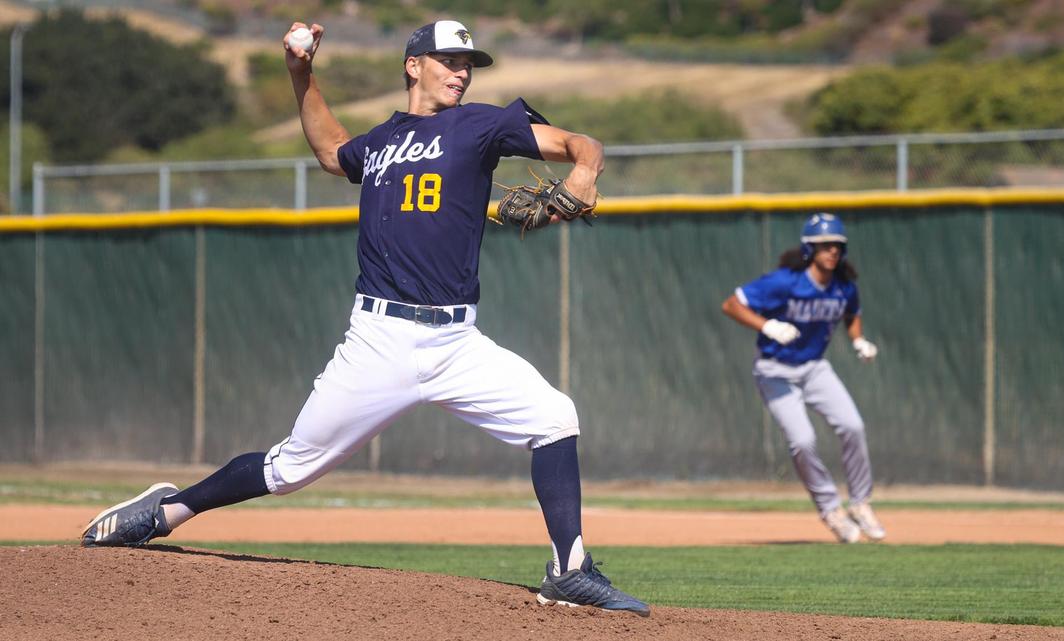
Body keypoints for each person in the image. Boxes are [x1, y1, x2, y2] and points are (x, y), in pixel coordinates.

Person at [80, 19, 649, 617]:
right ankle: (168, 511)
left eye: (468, 65)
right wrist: (301, 73)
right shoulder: (379, 142)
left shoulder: (482, 124)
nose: (460, 72)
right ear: (413, 65)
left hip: (457, 341)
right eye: (448, 60)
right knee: (290, 468)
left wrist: (585, 172)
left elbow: (582, 143)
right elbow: (331, 151)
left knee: (554, 415)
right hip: (380, 338)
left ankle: (569, 569)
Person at [721, 213, 886, 544]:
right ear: (809, 249)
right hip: (774, 370)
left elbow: (852, 314)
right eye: (825, 245)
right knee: (803, 441)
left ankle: (860, 503)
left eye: (837, 246)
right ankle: (830, 510)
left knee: (853, 426)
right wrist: (766, 325)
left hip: (814, 368)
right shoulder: (785, 282)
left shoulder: (843, 287)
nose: (832, 252)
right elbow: (732, 305)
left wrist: (858, 340)